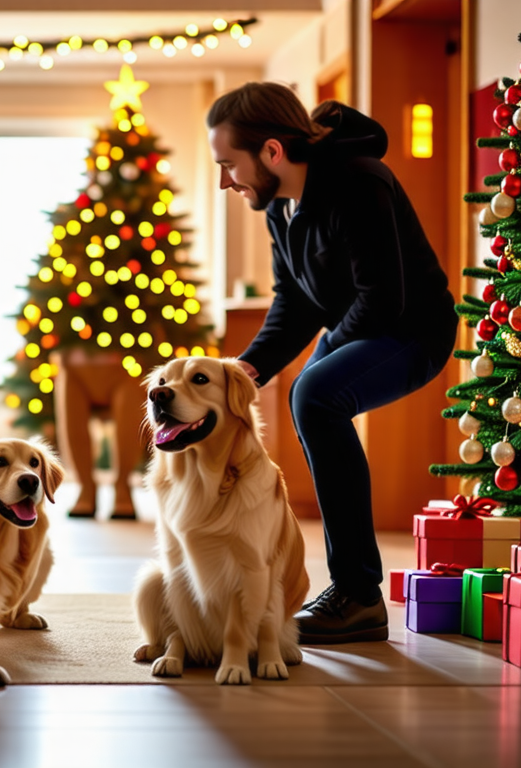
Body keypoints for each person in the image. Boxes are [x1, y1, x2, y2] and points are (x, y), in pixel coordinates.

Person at [206, 83, 457, 643]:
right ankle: (349, 589)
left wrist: (319, 356)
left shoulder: (358, 180)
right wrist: (249, 367)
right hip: (364, 325)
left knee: (313, 397)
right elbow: (294, 301)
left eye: (229, 164)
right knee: (309, 397)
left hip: (412, 330)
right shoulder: (279, 206)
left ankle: (360, 595)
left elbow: (382, 299)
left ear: (271, 151)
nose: (226, 181)